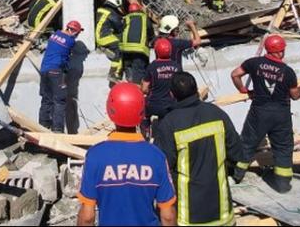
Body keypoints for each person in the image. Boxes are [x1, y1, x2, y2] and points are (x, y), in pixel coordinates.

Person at [77, 83, 177, 227]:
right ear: (141, 112)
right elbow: (167, 216)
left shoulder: (95, 156)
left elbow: (87, 217)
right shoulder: (156, 156)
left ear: (110, 111)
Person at [154, 72, 245, 226]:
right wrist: (235, 176)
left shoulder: (169, 124)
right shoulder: (217, 114)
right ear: (196, 90)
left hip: (189, 217)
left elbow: (162, 168)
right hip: (222, 215)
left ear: (171, 94)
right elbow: (238, 153)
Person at [231, 34, 300, 193]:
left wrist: (243, 90)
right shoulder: (288, 72)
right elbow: (294, 95)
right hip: (281, 114)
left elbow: (235, 74)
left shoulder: (254, 63)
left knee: (247, 143)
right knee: (283, 148)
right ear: (280, 51)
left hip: (259, 111)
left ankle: (236, 177)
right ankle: (282, 185)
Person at [39, 20, 83, 133]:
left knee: (46, 99)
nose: (77, 36)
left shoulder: (54, 35)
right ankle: (57, 129)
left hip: (44, 70)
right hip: (56, 71)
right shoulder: (70, 41)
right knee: (59, 100)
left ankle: (43, 126)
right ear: (71, 31)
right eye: (77, 33)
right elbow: (68, 55)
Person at [140, 37, 181, 136]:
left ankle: (146, 131)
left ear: (156, 51)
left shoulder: (152, 67)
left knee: (143, 108)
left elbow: (144, 89)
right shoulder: (177, 66)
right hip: (171, 106)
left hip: (153, 104)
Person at [95, 0, 125, 84]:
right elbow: (119, 27)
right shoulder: (112, 13)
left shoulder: (100, 10)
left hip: (99, 38)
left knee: (114, 42)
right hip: (106, 37)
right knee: (120, 49)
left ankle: (104, 48)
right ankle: (113, 73)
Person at [121, 1, 153, 83]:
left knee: (128, 65)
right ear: (139, 10)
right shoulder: (144, 18)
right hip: (139, 49)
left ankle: (129, 77)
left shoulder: (125, 18)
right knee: (139, 70)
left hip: (126, 49)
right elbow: (150, 31)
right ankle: (137, 87)